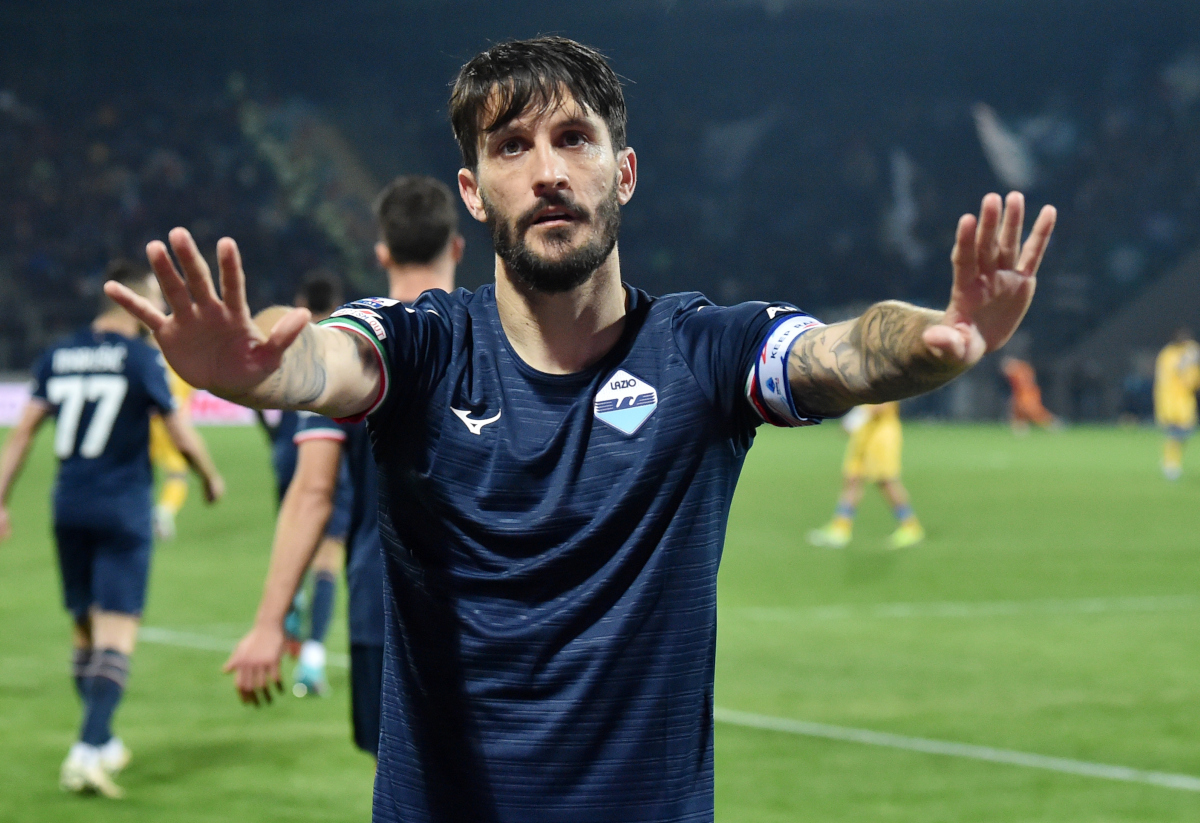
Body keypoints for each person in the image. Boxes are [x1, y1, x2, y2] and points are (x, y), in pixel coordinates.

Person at [107, 36, 1056, 823]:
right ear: (474, 193)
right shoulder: (428, 346)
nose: (549, 170)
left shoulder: (700, 352)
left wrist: (936, 343)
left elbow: (841, 353)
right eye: (511, 145)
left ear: (624, 171)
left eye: (575, 138)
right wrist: (263, 369)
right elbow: (333, 356)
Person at [224, 174, 462, 757]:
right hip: (489, 612)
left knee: (405, 788)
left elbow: (313, 493)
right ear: (456, 246)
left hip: (384, 603)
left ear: (381, 252)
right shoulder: (491, 337)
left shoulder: (358, 350)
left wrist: (269, 620)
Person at [0, 259, 224, 798]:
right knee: (118, 631)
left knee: (83, 627)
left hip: (67, 505)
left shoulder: (60, 353)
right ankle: (87, 748)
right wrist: (209, 476)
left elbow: (23, 434)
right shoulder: (140, 358)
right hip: (121, 508)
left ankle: (101, 740)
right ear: (140, 306)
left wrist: (2, 499)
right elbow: (180, 431)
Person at [255, 270, 354, 695]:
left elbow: (257, 391)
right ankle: (311, 662)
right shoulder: (340, 338)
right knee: (328, 558)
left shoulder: (290, 337)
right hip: (327, 454)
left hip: (286, 453)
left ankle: (291, 595)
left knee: (294, 534)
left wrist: (275, 436)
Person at [808, 401, 924, 549]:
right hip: (865, 432)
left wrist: (855, 418)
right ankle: (841, 528)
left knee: (886, 481)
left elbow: (882, 404)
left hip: (881, 434)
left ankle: (910, 527)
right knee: (852, 479)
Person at [147, 359, 199, 540]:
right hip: (170, 423)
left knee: (137, 471)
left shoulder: (147, 357)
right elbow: (184, 401)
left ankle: (130, 512)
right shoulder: (183, 362)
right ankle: (163, 513)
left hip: (144, 422)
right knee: (177, 473)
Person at [1153, 327, 1200, 480]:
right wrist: (1189, 359)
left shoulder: (1187, 354)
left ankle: (1171, 460)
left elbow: (1193, 380)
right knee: (1175, 433)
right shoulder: (1169, 354)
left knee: (1183, 434)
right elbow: (1175, 371)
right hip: (1170, 400)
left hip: (1185, 400)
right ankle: (1170, 464)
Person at [1000, 355, 1057, 433]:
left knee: (1034, 412)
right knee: (1017, 411)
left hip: (1027, 394)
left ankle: (1052, 424)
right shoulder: (1016, 372)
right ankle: (1020, 430)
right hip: (1020, 394)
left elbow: (1026, 383)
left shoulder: (1021, 370)